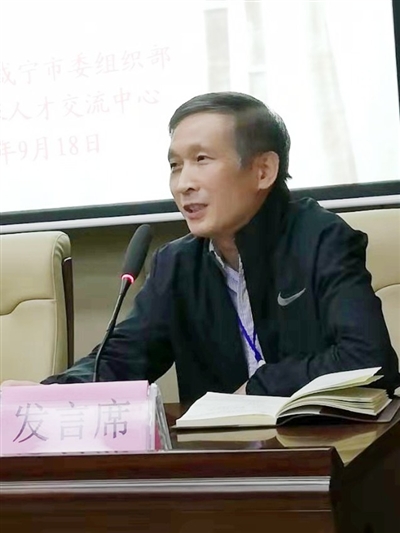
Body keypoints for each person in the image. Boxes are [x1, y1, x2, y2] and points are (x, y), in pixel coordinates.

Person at [3, 92, 399, 402]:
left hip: (324, 449)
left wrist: (260, 387)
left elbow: (368, 358)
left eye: (202, 159)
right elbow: (126, 357)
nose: (183, 184)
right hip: (223, 458)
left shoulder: (320, 237)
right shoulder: (177, 264)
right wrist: (50, 395)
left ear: (263, 170)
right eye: (175, 165)